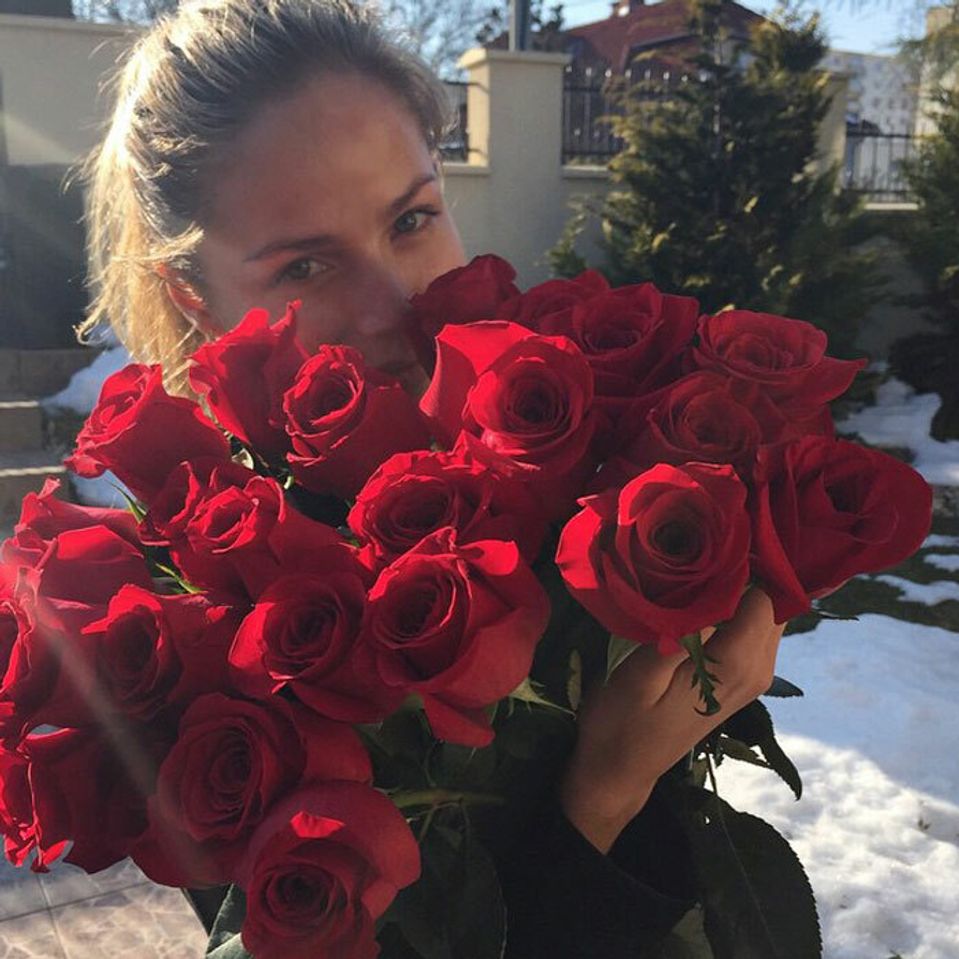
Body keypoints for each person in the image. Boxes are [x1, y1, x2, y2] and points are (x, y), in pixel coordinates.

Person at [81, 1, 785, 955]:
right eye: (305, 266)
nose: (392, 304)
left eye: (411, 219)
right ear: (193, 298)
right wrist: (606, 790)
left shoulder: (574, 444)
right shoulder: (207, 628)